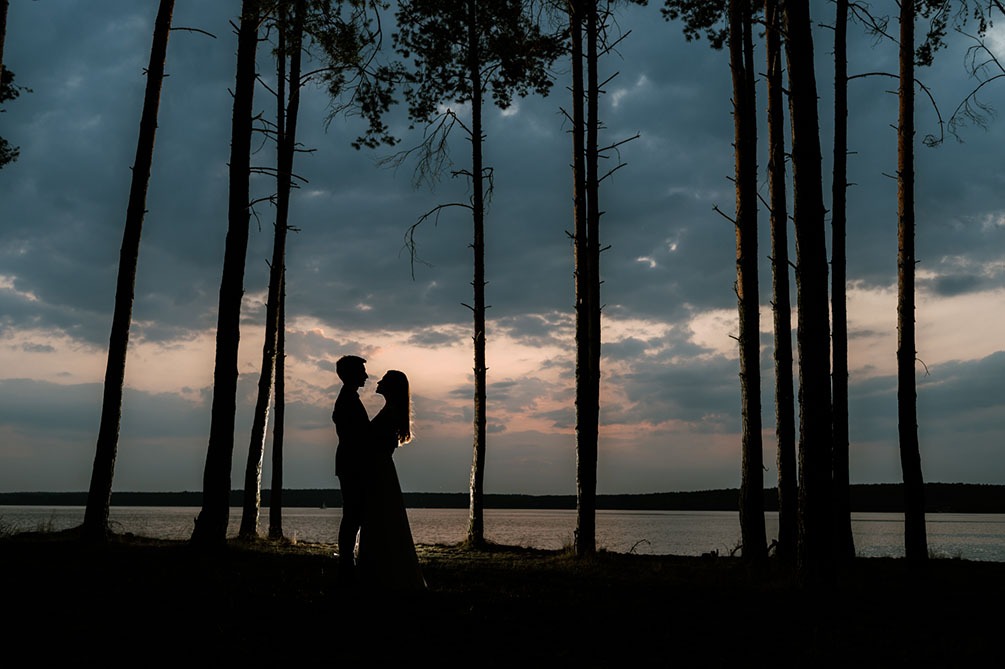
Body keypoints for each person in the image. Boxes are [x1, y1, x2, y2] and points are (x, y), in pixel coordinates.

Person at [356, 370, 426, 591]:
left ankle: (381, 573)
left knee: (379, 517)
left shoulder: (391, 412)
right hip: (380, 469)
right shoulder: (390, 411)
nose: (378, 381)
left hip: (379, 471)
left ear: (392, 386)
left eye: (384, 379)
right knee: (380, 518)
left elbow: (378, 443)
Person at [331, 355, 370, 584]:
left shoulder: (349, 397)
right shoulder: (347, 399)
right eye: (362, 371)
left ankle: (348, 558)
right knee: (353, 513)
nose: (366, 375)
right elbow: (357, 435)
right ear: (352, 374)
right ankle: (346, 559)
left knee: (354, 513)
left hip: (350, 462)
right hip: (351, 463)